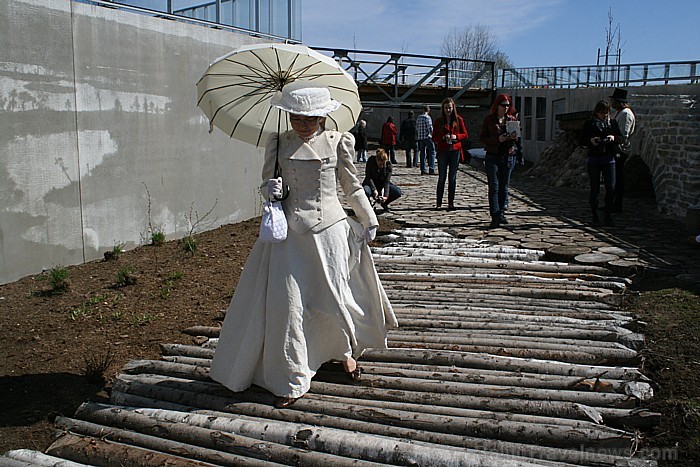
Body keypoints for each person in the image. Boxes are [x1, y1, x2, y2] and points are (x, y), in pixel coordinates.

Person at [210, 81, 397, 409]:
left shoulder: (339, 142)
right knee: (290, 304)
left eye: (310, 118)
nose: (303, 124)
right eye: (297, 117)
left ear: (324, 116)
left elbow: (352, 186)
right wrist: (273, 189)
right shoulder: (277, 143)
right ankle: (291, 375)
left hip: (331, 233)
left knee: (334, 296)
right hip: (290, 238)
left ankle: (341, 352)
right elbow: (266, 189)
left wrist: (368, 220)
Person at [479, 93, 520, 228]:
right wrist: (497, 139)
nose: (506, 108)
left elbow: (517, 140)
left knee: (504, 186)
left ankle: (501, 212)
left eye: (508, 105)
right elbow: (483, 138)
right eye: (503, 105)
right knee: (494, 187)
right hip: (493, 156)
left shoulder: (511, 119)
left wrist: (513, 137)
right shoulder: (489, 120)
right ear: (497, 106)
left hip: (508, 156)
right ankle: (495, 215)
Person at [580, 99, 623, 226]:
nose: (604, 115)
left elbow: (620, 138)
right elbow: (582, 140)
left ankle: (608, 214)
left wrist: (613, 138)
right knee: (595, 188)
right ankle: (595, 216)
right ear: (597, 112)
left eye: (606, 112)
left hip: (609, 158)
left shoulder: (612, 123)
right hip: (594, 158)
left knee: (611, 187)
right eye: (601, 112)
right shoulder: (590, 124)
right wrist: (591, 140)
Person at [432, 97, 468, 211]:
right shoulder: (438, 121)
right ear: (443, 108)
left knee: (452, 178)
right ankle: (439, 202)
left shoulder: (458, 119)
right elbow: (434, 137)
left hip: (455, 151)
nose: (448, 110)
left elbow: (465, 134)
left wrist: (456, 137)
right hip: (443, 151)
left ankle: (451, 202)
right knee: (442, 177)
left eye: (450, 108)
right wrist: (442, 137)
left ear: (453, 108)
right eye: (446, 108)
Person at [610, 88, 635, 213]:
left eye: (613, 101)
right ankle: (612, 202)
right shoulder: (620, 113)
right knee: (613, 178)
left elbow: (623, 135)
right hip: (616, 149)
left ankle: (617, 204)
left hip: (620, 150)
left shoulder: (625, 114)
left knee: (618, 178)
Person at [416, 105, 436, 175]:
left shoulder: (418, 118)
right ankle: (432, 168)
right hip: (427, 137)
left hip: (420, 138)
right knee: (432, 152)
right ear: (428, 110)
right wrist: (433, 136)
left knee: (422, 153)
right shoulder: (427, 117)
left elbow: (417, 128)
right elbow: (430, 128)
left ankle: (423, 169)